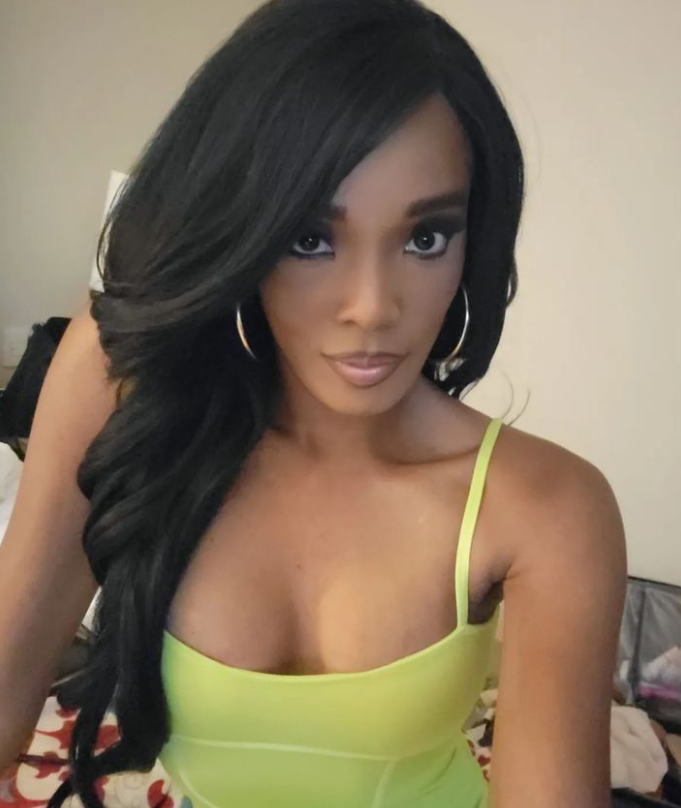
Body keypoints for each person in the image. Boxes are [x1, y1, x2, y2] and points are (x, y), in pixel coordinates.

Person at [0, 0, 627, 806]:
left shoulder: (548, 505)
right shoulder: (120, 382)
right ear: (238, 228)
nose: (371, 307)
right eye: (308, 238)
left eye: (425, 237)